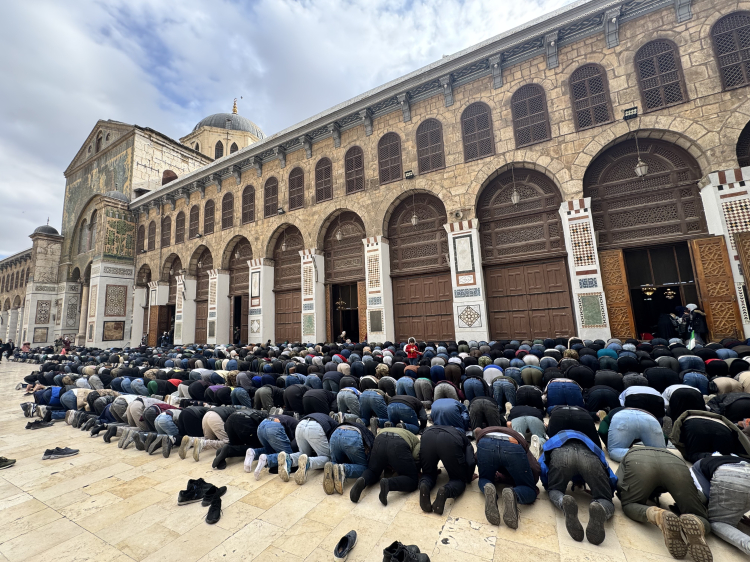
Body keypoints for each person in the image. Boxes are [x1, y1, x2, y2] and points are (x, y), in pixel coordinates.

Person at [617, 447, 712, 561]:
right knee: (699, 514)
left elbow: (617, 482)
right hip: (675, 463)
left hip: (639, 462)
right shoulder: (670, 453)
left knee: (629, 504)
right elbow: (701, 497)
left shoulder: (629, 453)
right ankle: (698, 522)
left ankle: (658, 515)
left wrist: (627, 493)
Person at [539, 430, 617, 545]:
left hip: (561, 453)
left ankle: (563, 501)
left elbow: (542, 463)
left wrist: (548, 485)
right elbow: (608, 471)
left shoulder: (556, 438)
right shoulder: (591, 443)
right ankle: (601, 508)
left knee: (555, 490)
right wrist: (608, 491)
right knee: (604, 499)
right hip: (589, 457)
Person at [475, 424, 540, 529]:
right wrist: (531, 484)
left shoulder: (483, 434)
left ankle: (488, 488)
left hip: (485, 444)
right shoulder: (518, 436)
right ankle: (514, 493)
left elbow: (477, 458)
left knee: (484, 478)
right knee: (529, 489)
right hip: (513, 445)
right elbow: (534, 467)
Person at [691, 455, 750, 556]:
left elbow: (705, 494)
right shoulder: (740, 459)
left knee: (718, 522)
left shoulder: (698, 466)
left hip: (732, 480)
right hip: (742, 475)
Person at [349, 426, 420, 505]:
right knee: (412, 480)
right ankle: (388, 483)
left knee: (372, 471)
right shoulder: (415, 439)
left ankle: (363, 479)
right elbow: (416, 454)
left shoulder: (388, 428)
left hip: (380, 440)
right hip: (398, 445)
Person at [418, 425, 475, 515]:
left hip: (427, 436)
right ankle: (445, 491)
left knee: (428, 474)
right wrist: (468, 477)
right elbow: (470, 461)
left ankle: (424, 485)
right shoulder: (465, 439)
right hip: (449, 441)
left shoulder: (433, 428)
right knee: (458, 479)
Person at [326, 420, 375, 495]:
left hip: (335, 433)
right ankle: (343, 469)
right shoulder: (369, 435)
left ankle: (332, 465)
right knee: (366, 468)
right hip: (352, 436)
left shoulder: (360, 428)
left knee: (336, 461)